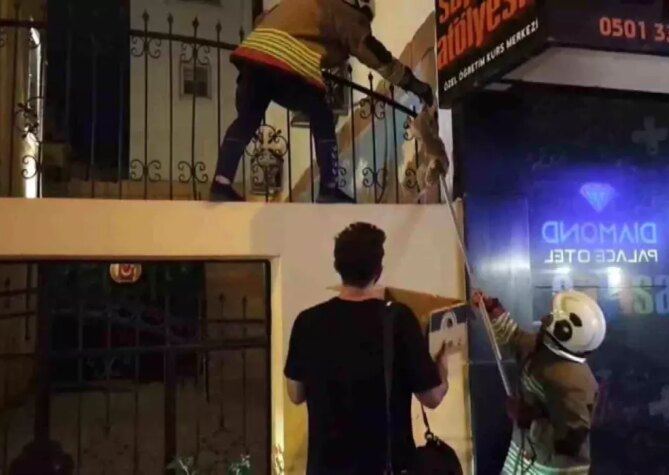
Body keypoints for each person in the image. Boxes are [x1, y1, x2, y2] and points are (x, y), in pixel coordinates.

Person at [210, 0, 435, 204]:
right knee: (322, 116)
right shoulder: (345, 12)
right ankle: (328, 188)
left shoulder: (298, 5)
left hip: (254, 57)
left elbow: (262, 20)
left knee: (246, 121)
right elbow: (372, 51)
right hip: (287, 59)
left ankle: (221, 182)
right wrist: (413, 84)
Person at [285, 222, 449, 474]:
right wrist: (443, 365)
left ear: (337, 266)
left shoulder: (307, 322)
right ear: (378, 271)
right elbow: (433, 397)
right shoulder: (398, 319)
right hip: (386, 467)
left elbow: (296, 394)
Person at [471, 290, 606, 475]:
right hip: (525, 456)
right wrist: (494, 310)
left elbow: (571, 440)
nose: (545, 319)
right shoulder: (545, 348)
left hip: (553, 468)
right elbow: (514, 339)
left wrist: (529, 420)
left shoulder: (576, 383)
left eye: (553, 317)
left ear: (564, 331)